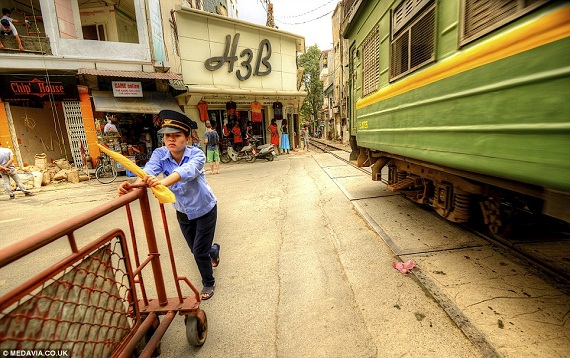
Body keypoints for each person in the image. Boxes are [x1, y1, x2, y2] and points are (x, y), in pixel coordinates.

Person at [117, 110, 220, 300]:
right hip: (183, 212)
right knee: (197, 249)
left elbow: (186, 171)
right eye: (167, 136)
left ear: (187, 139)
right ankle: (213, 251)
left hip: (205, 209)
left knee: (198, 251)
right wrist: (131, 187)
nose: (171, 139)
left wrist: (162, 183)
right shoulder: (159, 154)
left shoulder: (197, 154)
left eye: (177, 135)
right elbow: (147, 174)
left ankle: (208, 282)